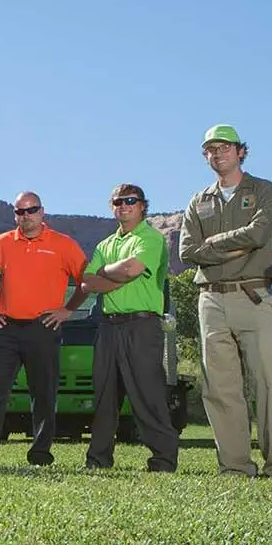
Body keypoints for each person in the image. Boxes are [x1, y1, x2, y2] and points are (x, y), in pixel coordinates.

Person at [179, 125, 272, 479]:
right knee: (220, 387)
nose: (217, 154)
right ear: (205, 156)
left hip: (254, 296)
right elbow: (186, 252)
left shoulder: (263, 190)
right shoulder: (198, 201)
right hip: (211, 301)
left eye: (224, 147)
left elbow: (260, 234)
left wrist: (210, 248)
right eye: (210, 149)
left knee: (268, 384)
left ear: (240, 151)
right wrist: (234, 247)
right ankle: (236, 466)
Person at [0, 192, 89, 466]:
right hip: (7, 330)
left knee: (44, 394)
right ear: (15, 215)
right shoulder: (2, 243)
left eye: (31, 210)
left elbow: (86, 280)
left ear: (42, 212)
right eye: (20, 211)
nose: (26, 216)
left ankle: (40, 453)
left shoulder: (63, 245)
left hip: (43, 328)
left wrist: (67, 310)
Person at [82, 184, 179, 472]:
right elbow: (87, 282)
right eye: (118, 201)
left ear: (142, 206)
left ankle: (162, 460)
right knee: (104, 397)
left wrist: (105, 274)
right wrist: (113, 276)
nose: (124, 205)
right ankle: (98, 459)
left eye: (130, 201)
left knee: (148, 394)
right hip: (108, 327)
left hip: (142, 325)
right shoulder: (105, 245)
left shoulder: (151, 238)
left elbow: (132, 269)